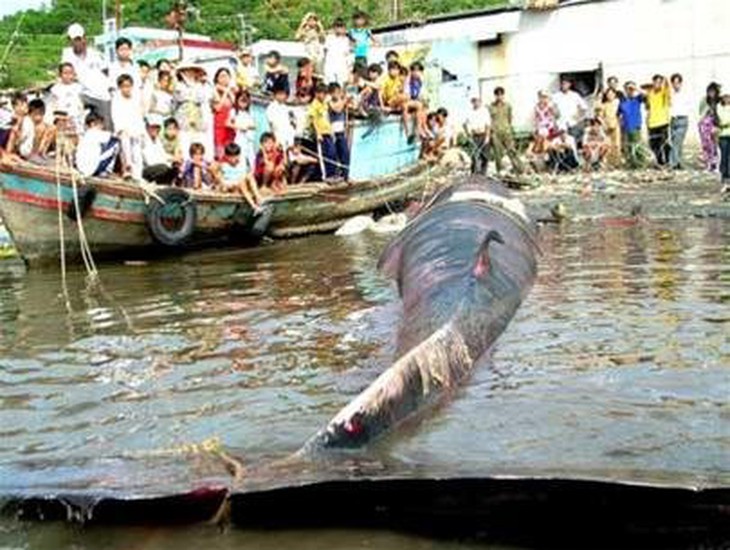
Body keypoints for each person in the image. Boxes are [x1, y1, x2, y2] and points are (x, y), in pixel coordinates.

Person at [62, 23, 111, 129]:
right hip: (80, 93)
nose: (78, 42)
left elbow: (106, 71)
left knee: (107, 126)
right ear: (70, 40)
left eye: (80, 39)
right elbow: (65, 74)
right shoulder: (67, 55)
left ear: (84, 38)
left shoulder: (95, 55)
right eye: (75, 40)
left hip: (100, 94)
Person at [111, 74, 145, 180]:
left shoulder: (136, 98)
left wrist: (141, 130)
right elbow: (115, 116)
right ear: (120, 87)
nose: (127, 89)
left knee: (137, 154)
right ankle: (127, 169)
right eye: (124, 86)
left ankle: (138, 176)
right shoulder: (116, 99)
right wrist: (121, 129)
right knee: (125, 146)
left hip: (135, 129)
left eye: (129, 86)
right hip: (123, 130)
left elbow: (138, 115)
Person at [174, 64, 210, 160]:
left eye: (192, 71)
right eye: (187, 71)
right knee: (184, 144)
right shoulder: (178, 85)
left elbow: (202, 99)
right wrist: (191, 95)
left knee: (198, 143)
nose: (190, 73)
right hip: (183, 118)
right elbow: (179, 97)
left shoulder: (200, 85)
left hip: (197, 118)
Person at [217, 142, 263, 210]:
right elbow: (222, 181)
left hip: (243, 183)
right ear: (226, 157)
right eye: (231, 157)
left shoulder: (242, 164)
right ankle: (253, 206)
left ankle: (259, 198)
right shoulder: (224, 166)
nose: (234, 159)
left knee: (249, 176)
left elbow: (247, 175)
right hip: (233, 185)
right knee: (241, 183)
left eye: (236, 156)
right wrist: (229, 185)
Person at [489, 87, 523, 175]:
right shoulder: (491, 107)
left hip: (506, 132)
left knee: (511, 150)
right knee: (497, 153)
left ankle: (519, 169)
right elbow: (489, 120)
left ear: (503, 95)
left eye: (501, 94)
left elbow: (510, 118)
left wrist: (508, 128)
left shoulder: (508, 106)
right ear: (495, 96)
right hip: (496, 133)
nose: (499, 96)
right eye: (497, 94)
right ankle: (500, 171)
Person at [75, 111, 120, 177]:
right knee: (116, 143)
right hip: (92, 169)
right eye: (101, 123)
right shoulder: (96, 132)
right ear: (93, 124)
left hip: (81, 168)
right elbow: (115, 136)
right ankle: (107, 170)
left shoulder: (85, 135)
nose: (103, 126)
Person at [48, 62, 85, 139]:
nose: (68, 76)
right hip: (61, 121)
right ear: (60, 74)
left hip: (77, 120)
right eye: (65, 73)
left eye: (71, 73)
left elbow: (82, 105)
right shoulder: (55, 89)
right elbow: (53, 107)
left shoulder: (80, 88)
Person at [309, 83, 337, 180]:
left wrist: (331, 131)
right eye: (321, 93)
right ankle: (325, 176)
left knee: (332, 153)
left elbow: (327, 118)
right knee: (323, 156)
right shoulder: (314, 105)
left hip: (328, 132)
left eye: (324, 93)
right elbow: (313, 120)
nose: (323, 96)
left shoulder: (324, 104)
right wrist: (318, 133)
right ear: (316, 94)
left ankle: (332, 174)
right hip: (321, 134)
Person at [141, 114, 178, 184]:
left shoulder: (157, 140)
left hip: (159, 166)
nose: (156, 130)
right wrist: (168, 161)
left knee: (175, 168)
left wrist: (173, 159)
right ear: (147, 127)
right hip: (147, 169)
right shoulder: (144, 140)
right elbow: (149, 161)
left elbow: (163, 154)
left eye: (157, 127)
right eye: (153, 127)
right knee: (163, 168)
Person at [644, 74, 672, 167]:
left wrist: (665, 79)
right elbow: (648, 107)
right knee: (653, 144)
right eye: (656, 82)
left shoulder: (664, 92)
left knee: (665, 143)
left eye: (660, 82)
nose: (658, 84)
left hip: (663, 122)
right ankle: (660, 161)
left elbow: (668, 87)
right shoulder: (650, 93)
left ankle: (668, 160)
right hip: (652, 123)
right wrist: (647, 120)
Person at [618, 82, 646, 169]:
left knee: (637, 146)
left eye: (631, 89)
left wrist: (636, 88)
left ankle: (641, 164)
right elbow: (618, 114)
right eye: (627, 89)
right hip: (625, 127)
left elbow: (645, 95)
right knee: (628, 147)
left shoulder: (637, 99)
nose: (629, 91)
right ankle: (632, 164)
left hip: (635, 126)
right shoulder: (622, 101)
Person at [552, 78, 587, 145]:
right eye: (563, 84)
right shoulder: (556, 96)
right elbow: (551, 107)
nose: (564, 85)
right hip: (561, 123)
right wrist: (555, 114)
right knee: (562, 142)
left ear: (569, 85)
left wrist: (578, 116)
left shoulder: (575, 95)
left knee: (572, 141)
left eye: (566, 84)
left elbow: (584, 108)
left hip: (572, 122)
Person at [211, 67, 236, 160]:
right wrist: (225, 92)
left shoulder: (232, 92)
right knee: (219, 151)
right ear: (217, 78)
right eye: (221, 76)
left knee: (230, 150)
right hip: (219, 125)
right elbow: (218, 108)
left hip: (230, 126)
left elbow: (234, 103)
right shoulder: (214, 91)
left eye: (226, 76)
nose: (224, 78)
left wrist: (228, 91)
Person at [667, 73, 691, 170]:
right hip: (673, 120)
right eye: (674, 83)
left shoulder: (685, 94)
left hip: (682, 120)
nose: (676, 85)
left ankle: (672, 163)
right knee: (676, 143)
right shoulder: (670, 94)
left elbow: (689, 106)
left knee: (677, 142)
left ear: (681, 83)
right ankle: (679, 163)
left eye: (678, 83)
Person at [230, 89, 256, 172]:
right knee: (241, 159)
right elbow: (228, 123)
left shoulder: (250, 112)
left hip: (249, 139)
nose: (244, 102)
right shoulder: (234, 111)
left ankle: (252, 177)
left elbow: (254, 125)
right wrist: (239, 127)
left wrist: (250, 127)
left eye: (246, 100)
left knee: (252, 159)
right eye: (241, 100)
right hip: (240, 137)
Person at [328, 82, 350, 180]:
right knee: (334, 155)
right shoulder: (329, 101)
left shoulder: (341, 100)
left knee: (345, 153)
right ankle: (335, 175)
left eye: (338, 92)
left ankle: (345, 175)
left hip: (341, 132)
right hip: (332, 133)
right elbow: (337, 109)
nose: (337, 94)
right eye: (335, 93)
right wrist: (344, 101)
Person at [465, 96, 491, 175]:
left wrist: (487, 137)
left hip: (483, 134)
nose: (475, 103)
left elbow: (488, 124)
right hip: (474, 136)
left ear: (480, 101)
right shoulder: (469, 112)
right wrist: (468, 134)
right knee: (474, 156)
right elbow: (465, 124)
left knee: (485, 156)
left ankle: (483, 173)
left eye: (477, 101)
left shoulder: (484, 111)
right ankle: (474, 173)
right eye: (474, 101)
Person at [698, 82, 721, 172]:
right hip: (705, 124)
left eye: (713, 92)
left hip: (716, 124)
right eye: (709, 91)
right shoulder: (704, 100)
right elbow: (701, 112)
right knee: (706, 145)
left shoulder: (719, 101)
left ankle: (716, 164)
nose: (711, 93)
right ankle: (708, 164)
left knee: (715, 145)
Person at [266, 84, 296, 151]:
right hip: (277, 137)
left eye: (283, 94)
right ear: (274, 95)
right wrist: (275, 140)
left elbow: (291, 124)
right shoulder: (271, 108)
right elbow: (272, 125)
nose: (281, 96)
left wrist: (291, 140)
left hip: (288, 138)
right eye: (279, 94)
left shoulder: (287, 108)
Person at [6, 93, 34, 160]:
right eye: (19, 105)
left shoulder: (27, 121)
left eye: (24, 105)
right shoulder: (15, 119)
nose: (22, 107)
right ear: (14, 107)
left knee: (13, 131)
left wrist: (17, 126)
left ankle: (7, 156)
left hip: (22, 153)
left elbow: (19, 139)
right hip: (15, 150)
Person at [324, 18, 351, 85]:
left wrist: (348, 67)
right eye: (337, 26)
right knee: (329, 84)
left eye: (341, 27)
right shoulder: (329, 38)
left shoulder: (346, 40)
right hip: (330, 65)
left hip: (341, 66)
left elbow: (347, 54)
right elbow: (325, 51)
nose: (339, 29)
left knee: (341, 84)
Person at [600, 88, 622, 167]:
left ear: (614, 95)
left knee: (617, 145)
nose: (610, 96)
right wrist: (603, 124)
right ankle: (608, 164)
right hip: (606, 127)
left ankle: (617, 163)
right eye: (608, 94)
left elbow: (620, 114)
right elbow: (600, 116)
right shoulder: (604, 105)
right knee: (608, 145)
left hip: (616, 125)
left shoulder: (617, 103)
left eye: (611, 94)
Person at [533, 90, 557, 155]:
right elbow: (536, 118)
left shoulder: (549, 106)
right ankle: (541, 153)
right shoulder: (536, 107)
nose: (542, 99)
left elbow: (554, 115)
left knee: (547, 140)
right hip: (541, 126)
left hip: (549, 126)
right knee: (540, 139)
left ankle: (546, 153)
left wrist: (550, 105)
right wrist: (536, 127)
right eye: (541, 97)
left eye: (544, 97)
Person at [716, 91, 730, 185]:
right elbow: (722, 120)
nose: (727, 99)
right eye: (725, 97)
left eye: (728, 97)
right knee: (724, 156)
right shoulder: (719, 107)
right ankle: (724, 175)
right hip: (723, 135)